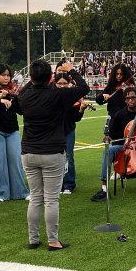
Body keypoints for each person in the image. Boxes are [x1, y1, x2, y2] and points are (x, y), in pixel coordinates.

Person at [9, 59, 89, 250]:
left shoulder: (25, 97)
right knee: (51, 199)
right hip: (52, 151)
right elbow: (84, 87)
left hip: (29, 151)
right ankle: (53, 240)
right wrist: (71, 71)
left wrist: (31, 81)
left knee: (36, 197)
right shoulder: (57, 95)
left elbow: (16, 102)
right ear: (51, 77)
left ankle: (33, 239)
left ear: (32, 77)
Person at [91, 87, 136, 202]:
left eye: (133, 98)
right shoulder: (120, 114)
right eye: (128, 98)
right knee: (108, 150)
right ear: (125, 100)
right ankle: (104, 189)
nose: (130, 100)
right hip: (125, 145)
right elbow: (113, 134)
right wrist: (107, 137)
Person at [0, 64, 29, 202]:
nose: (6, 78)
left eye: (8, 75)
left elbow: (20, 111)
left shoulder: (12, 90)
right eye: (3, 75)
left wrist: (14, 100)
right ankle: (1, 193)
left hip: (12, 129)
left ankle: (20, 192)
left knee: (16, 161)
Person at [56, 65, 89, 194]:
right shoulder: (52, 95)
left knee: (69, 157)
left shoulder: (72, 97)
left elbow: (76, 118)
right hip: (54, 132)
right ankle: (58, 184)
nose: (62, 86)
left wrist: (80, 110)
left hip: (68, 131)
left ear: (69, 84)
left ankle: (69, 184)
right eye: (59, 83)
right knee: (55, 159)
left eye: (65, 83)